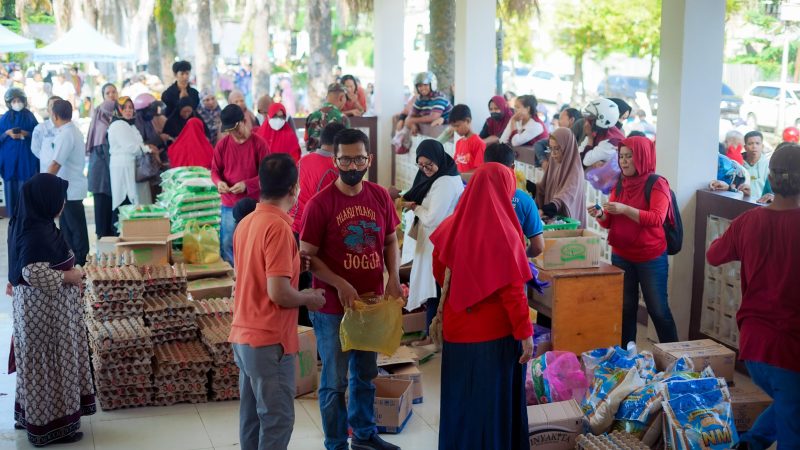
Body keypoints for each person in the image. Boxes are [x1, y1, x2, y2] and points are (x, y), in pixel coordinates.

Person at [300, 129, 402, 450]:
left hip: (370, 304)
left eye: (359, 158)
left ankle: (364, 434)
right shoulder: (320, 204)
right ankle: (335, 443)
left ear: (369, 159)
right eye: (345, 159)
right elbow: (308, 256)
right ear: (335, 161)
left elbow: (389, 240)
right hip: (333, 309)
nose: (353, 164)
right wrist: (339, 282)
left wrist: (394, 276)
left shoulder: (380, 196)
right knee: (334, 382)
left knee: (365, 375)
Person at [430, 163, 534, 450]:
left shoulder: (451, 225)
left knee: (460, 402)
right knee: (490, 409)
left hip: (456, 331)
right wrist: (525, 334)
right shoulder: (504, 232)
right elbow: (513, 292)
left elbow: (440, 273)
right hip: (493, 337)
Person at [229, 153, 326, 450]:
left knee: (252, 418)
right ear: (294, 189)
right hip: (269, 340)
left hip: (243, 336)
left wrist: (296, 263)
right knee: (277, 419)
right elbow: (278, 293)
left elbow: (256, 273)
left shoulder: (247, 223)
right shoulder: (280, 228)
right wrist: (309, 298)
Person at [706, 144, 800, 450]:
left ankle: (750, 443)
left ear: (770, 179)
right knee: (792, 424)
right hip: (788, 349)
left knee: (791, 405)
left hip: (752, 344)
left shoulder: (749, 221)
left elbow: (714, 254)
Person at [8, 173, 95, 446]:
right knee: (52, 368)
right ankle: (52, 428)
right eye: (60, 198)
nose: (63, 203)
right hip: (46, 318)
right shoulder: (36, 233)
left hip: (37, 312)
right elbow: (34, 271)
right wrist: (71, 277)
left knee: (37, 367)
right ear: (45, 200)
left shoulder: (28, 222)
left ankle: (31, 416)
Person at [587, 136, 679, 346]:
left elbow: (657, 218)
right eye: (621, 157)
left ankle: (675, 358)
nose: (624, 161)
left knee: (658, 309)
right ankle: (627, 356)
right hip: (622, 255)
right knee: (625, 309)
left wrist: (625, 209)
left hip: (650, 257)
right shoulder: (619, 183)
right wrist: (600, 214)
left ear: (643, 157)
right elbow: (609, 222)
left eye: (629, 157)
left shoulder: (657, 184)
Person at [401, 139, 464, 345]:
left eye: (429, 165)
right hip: (435, 243)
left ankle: (433, 336)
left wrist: (415, 207)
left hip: (438, 244)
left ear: (438, 158)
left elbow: (433, 218)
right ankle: (432, 333)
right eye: (421, 165)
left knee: (435, 289)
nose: (425, 170)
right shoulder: (440, 174)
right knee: (434, 288)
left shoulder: (445, 182)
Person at [211, 104, 271, 265]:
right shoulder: (222, 145)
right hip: (229, 202)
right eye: (229, 132)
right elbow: (215, 171)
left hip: (253, 204)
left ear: (244, 121)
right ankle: (234, 277)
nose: (234, 135)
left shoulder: (259, 144)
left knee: (254, 244)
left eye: (236, 129)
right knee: (227, 243)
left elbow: (267, 175)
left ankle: (251, 274)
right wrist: (219, 183)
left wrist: (247, 184)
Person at [45, 100, 89, 266]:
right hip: (69, 188)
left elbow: (56, 163)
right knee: (68, 229)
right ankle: (71, 261)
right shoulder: (71, 131)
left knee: (75, 229)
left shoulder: (66, 134)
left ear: (54, 115)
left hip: (70, 189)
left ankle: (80, 262)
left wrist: (42, 184)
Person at [484, 143, 545, 256]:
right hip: (511, 269)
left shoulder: (469, 197)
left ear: (483, 166)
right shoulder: (524, 201)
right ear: (512, 167)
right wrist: (522, 256)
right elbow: (538, 247)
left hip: (477, 268)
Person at [108, 97, 156, 212]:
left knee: (131, 198)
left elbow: (137, 144)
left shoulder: (130, 125)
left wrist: (143, 148)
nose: (128, 110)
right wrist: (146, 149)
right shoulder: (119, 124)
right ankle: (120, 229)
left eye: (130, 108)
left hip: (129, 164)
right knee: (124, 197)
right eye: (124, 108)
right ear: (118, 110)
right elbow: (131, 147)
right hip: (122, 165)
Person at [536, 127, 588, 227]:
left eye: (557, 149)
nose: (553, 154)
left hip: (568, 223)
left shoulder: (575, 170)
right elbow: (544, 187)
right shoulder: (554, 162)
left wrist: (546, 210)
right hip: (554, 221)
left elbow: (566, 195)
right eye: (551, 149)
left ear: (567, 147)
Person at [0, 88, 38, 217]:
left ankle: (28, 218)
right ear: (9, 103)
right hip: (9, 164)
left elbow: (38, 136)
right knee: (11, 193)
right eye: (14, 101)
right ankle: (13, 218)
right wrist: (7, 133)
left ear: (24, 101)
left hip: (26, 162)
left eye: (19, 101)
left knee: (26, 191)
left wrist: (25, 133)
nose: (17, 103)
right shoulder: (4, 118)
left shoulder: (30, 117)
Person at [86, 99, 118, 238]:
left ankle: (102, 232)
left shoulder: (99, 123)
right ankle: (104, 233)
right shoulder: (104, 127)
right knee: (103, 204)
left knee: (101, 204)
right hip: (103, 173)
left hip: (98, 173)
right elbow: (106, 152)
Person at [401, 72, 453, 136]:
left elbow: (433, 117)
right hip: (433, 132)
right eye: (420, 86)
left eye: (425, 85)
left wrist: (412, 121)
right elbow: (410, 116)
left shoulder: (439, 97)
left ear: (432, 84)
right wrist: (412, 125)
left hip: (446, 130)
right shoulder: (420, 99)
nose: (422, 88)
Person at [304, 83, 350, 152]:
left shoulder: (312, 116)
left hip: (314, 160)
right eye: (345, 97)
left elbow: (308, 145)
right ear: (341, 97)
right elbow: (346, 146)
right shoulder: (342, 118)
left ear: (327, 97)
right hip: (334, 161)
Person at [581, 98, 624, 168]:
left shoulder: (612, 141)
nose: (586, 122)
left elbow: (586, 161)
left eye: (590, 118)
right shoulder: (598, 132)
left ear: (601, 119)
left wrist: (590, 138)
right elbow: (579, 153)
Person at [450, 104, 485, 180]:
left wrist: (459, 176)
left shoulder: (478, 143)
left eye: (457, 126)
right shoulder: (459, 143)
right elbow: (455, 165)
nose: (455, 129)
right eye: (454, 126)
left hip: (470, 186)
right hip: (459, 184)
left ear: (468, 121)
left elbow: (479, 171)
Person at [30, 96, 61, 174]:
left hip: (66, 173)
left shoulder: (69, 128)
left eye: (58, 105)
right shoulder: (40, 128)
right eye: (52, 105)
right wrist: (46, 159)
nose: (55, 108)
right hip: (46, 171)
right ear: (47, 110)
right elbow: (35, 148)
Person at [743, 131, 770, 199]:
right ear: (745, 147)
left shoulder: (769, 165)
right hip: (740, 203)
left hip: (761, 205)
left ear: (762, 146)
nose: (754, 146)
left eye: (757, 143)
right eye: (750, 144)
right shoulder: (739, 164)